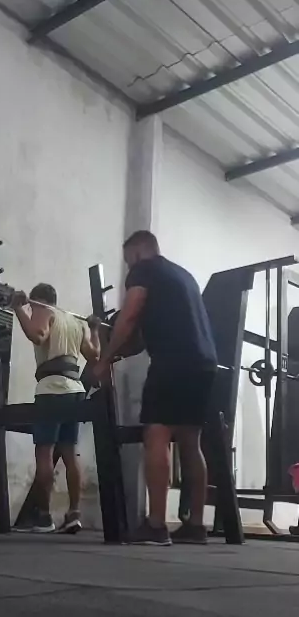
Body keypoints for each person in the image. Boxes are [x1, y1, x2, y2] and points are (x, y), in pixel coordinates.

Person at [94, 231, 217, 546]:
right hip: (203, 364)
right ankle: (196, 526)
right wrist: (114, 350)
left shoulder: (144, 270)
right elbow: (141, 337)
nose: (128, 269)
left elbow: (130, 315)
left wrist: (104, 359)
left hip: (172, 361)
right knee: (190, 442)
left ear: (137, 253)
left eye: (128, 262)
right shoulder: (182, 276)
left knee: (156, 435)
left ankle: (156, 525)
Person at [13, 283, 101, 534]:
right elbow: (94, 355)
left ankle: (43, 517)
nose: (32, 310)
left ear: (38, 300)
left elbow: (37, 335)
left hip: (51, 389)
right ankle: (74, 514)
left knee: (44, 453)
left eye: (33, 305)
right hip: (75, 391)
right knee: (70, 453)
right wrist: (94, 329)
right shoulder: (75, 322)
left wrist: (18, 308)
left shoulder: (42, 310)